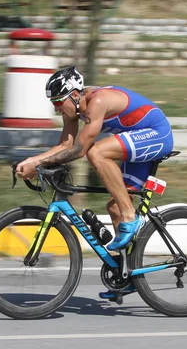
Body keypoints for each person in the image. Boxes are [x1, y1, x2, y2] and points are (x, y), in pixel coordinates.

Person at [16, 66, 174, 252]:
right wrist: (31, 161)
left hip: (157, 135)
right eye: (53, 103)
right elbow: (65, 146)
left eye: (58, 102)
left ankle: (131, 217)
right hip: (137, 139)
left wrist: (38, 165)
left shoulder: (97, 101)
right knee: (115, 208)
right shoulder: (73, 110)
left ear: (74, 94)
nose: (56, 108)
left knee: (96, 152)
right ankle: (128, 271)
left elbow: (80, 150)